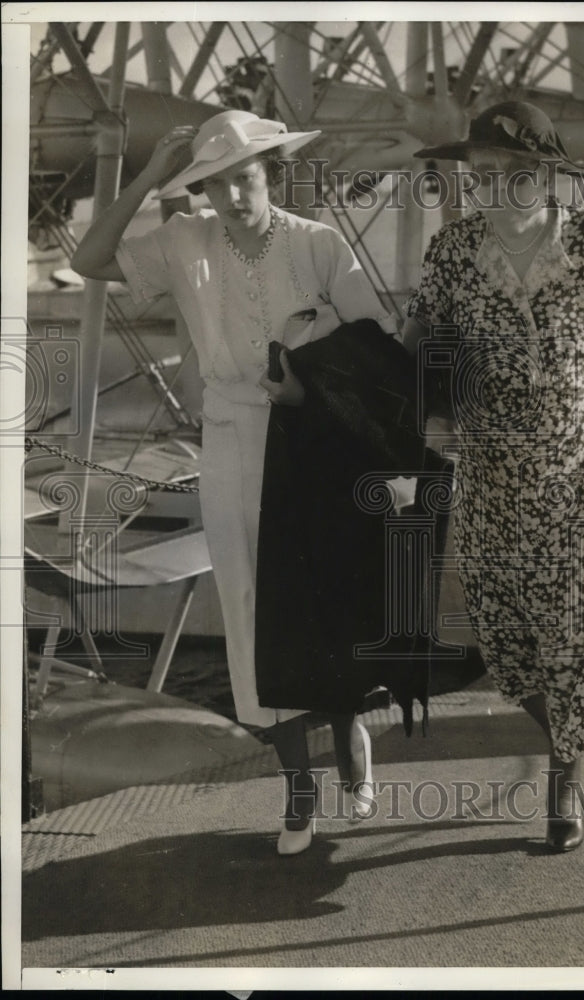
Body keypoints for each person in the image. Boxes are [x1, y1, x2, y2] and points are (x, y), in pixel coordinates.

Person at [72, 109, 398, 855]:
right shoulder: (185, 244)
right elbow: (92, 260)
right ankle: (297, 791)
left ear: (271, 172)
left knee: (323, 602)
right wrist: (153, 174)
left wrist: (310, 392)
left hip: (314, 440)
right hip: (231, 439)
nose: (232, 199)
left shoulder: (318, 246)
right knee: (251, 611)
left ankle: (350, 738)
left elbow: (373, 348)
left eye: (243, 180)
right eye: (215, 186)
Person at [402, 101, 584, 851]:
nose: (490, 187)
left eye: (508, 174)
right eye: (481, 174)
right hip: (495, 474)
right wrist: (437, 413)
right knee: (505, 640)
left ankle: (564, 780)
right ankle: (563, 738)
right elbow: (427, 342)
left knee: (582, 642)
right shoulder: (453, 252)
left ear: (545, 178)